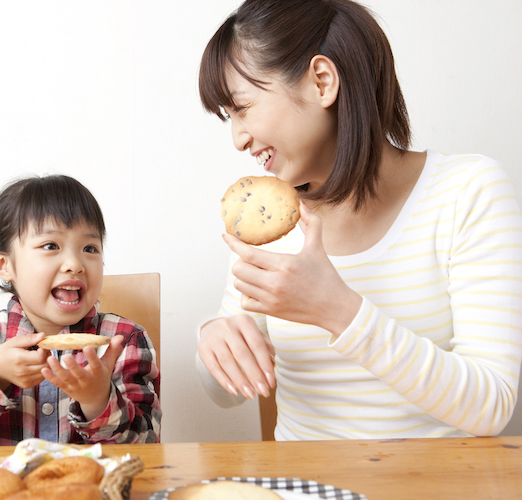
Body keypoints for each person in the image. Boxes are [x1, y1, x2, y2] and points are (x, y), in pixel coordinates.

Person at [196, 0, 522, 440]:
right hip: (301, 486)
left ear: (322, 82)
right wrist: (215, 342)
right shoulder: (273, 224)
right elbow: (226, 394)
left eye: (243, 108)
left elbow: (491, 408)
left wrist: (337, 310)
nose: (238, 138)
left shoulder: (467, 191)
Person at [0, 175, 161, 446]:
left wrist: (98, 401)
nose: (74, 264)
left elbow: (148, 444)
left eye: (89, 248)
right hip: (6, 487)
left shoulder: (123, 341)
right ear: (5, 264)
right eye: (50, 246)